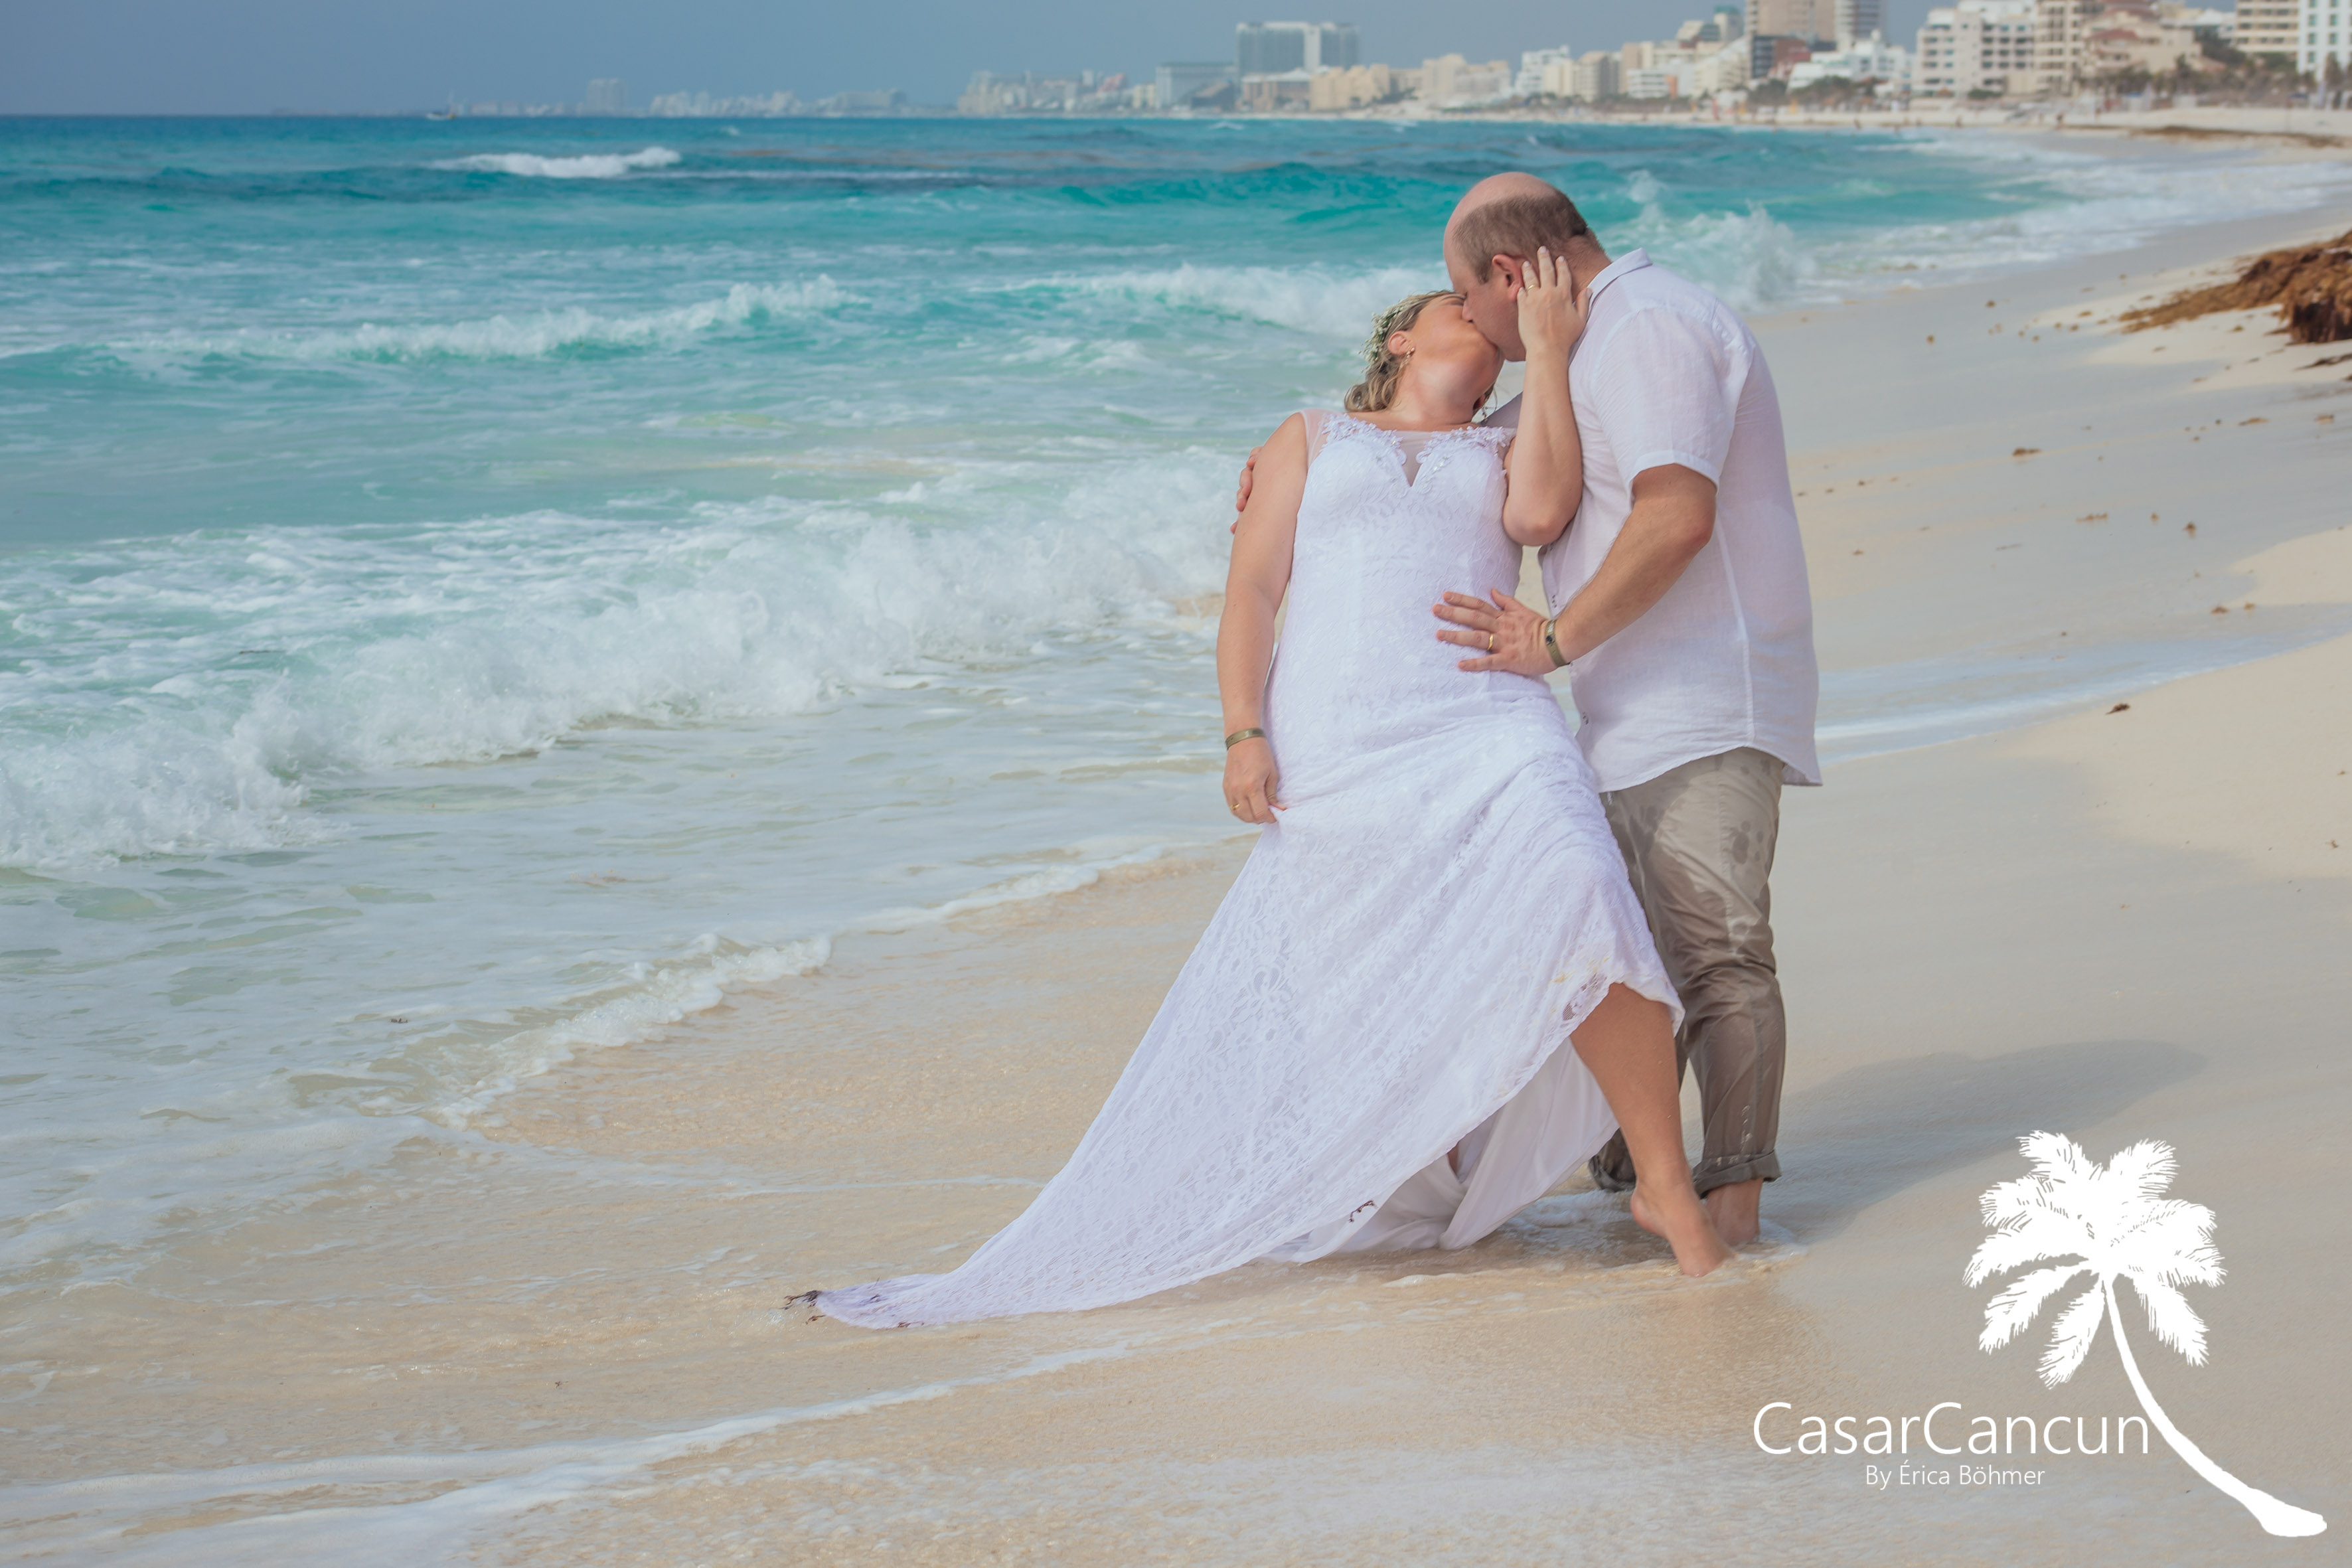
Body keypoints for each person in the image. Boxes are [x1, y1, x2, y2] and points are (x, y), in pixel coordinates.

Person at [809, 259, 1731, 1330]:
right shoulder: (1308, 437)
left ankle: (1667, 1187)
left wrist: (1555, 351)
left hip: (1485, 715)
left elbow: (1538, 513)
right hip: (1341, 736)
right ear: (1399, 339)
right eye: (1453, 303)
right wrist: (1243, 731)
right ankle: (1401, 1163)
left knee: (1579, 885)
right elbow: (1252, 589)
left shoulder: (1509, 435)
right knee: (1361, 973)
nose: (1477, 316)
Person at [1236, 175, 1820, 1247]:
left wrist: (1551, 641)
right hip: (1624, 707)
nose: (1480, 324)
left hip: (1699, 694)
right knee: (1621, 939)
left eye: (1468, 295)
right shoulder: (1581, 359)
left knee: (1715, 950)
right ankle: (1627, 1171)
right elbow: (1469, 449)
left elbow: (1674, 515)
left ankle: (1727, 1205)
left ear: (1508, 275)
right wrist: (1309, 455)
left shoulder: (1646, 327)